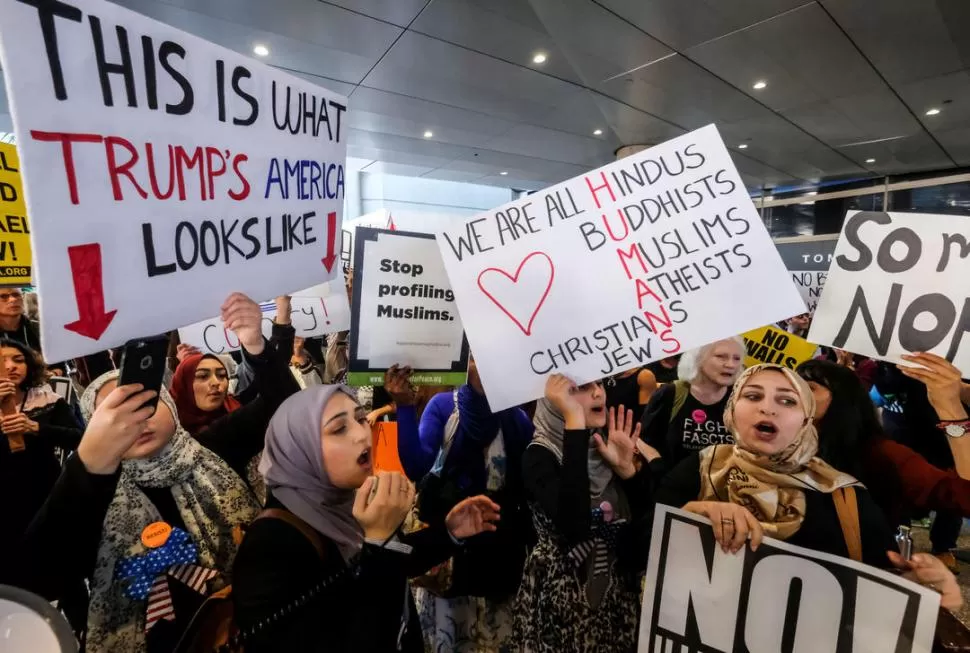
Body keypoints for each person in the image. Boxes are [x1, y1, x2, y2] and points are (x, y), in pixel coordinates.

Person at [13, 293, 296, 653]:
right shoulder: (86, 488)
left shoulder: (211, 447)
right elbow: (39, 578)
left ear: (171, 406)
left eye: (147, 403)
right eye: (116, 412)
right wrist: (89, 464)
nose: (138, 419)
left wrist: (255, 343)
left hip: (241, 623)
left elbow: (283, 404)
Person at [653, 363, 961, 610]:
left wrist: (919, 591)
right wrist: (689, 515)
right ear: (732, 410)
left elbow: (882, 586)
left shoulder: (846, 493)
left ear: (806, 418)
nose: (768, 409)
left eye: (789, 399)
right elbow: (638, 550)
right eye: (752, 396)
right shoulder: (702, 467)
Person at [231, 385, 501, 652]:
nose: (362, 434)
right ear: (299, 449)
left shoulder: (338, 503)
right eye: (339, 429)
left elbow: (386, 561)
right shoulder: (268, 547)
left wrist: (449, 532)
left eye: (361, 419)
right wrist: (380, 541)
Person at [395, 359, 533, 651]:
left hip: (499, 563)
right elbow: (417, 466)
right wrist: (405, 407)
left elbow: (527, 489)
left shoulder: (517, 419)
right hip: (450, 559)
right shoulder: (444, 407)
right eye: (475, 358)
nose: (484, 365)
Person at [512, 375, 656, 653]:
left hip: (615, 600)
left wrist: (629, 473)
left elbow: (648, 527)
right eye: (580, 388)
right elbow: (575, 525)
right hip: (563, 601)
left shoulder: (606, 445)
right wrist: (574, 423)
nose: (598, 394)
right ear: (552, 400)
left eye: (600, 384)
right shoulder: (538, 456)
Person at [799, 355, 970, 531]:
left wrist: (950, 407)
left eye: (809, 388)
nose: (795, 394)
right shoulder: (778, 446)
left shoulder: (883, 456)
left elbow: (965, 496)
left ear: (841, 399)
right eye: (791, 387)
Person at [0, 338, 83, 578]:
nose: (11, 367)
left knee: (64, 571)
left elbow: (80, 439)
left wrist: (35, 428)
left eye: (18, 360)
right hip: (6, 505)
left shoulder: (47, 400)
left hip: (47, 493)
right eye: (2, 361)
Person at [639, 337, 743, 476]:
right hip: (669, 490)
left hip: (718, 492)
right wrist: (657, 465)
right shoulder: (670, 393)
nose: (731, 364)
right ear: (698, 359)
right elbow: (643, 440)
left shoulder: (740, 400)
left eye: (736, 358)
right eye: (721, 356)